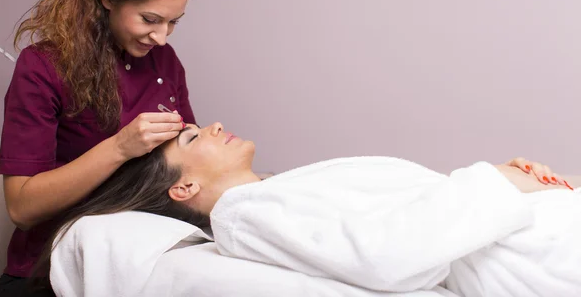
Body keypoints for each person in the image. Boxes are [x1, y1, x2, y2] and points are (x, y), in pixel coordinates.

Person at [37, 122, 579, 296]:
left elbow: (409, 205)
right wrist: (499, 184)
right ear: (184, 189)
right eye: (193, 137)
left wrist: (516, 180)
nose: (217, 126)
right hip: (530, 259)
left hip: (532, 233)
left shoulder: (275, 191)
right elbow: (388, 253)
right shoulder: (243, 215)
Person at [0, 0, 201, 297]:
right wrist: (120, 147)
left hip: (138, 261)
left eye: (174, 22)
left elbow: (187, 167)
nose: (162, 36)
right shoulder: (43, 67)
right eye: (150, 19)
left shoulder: (165, 61)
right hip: (49, 270)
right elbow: (22, 207)